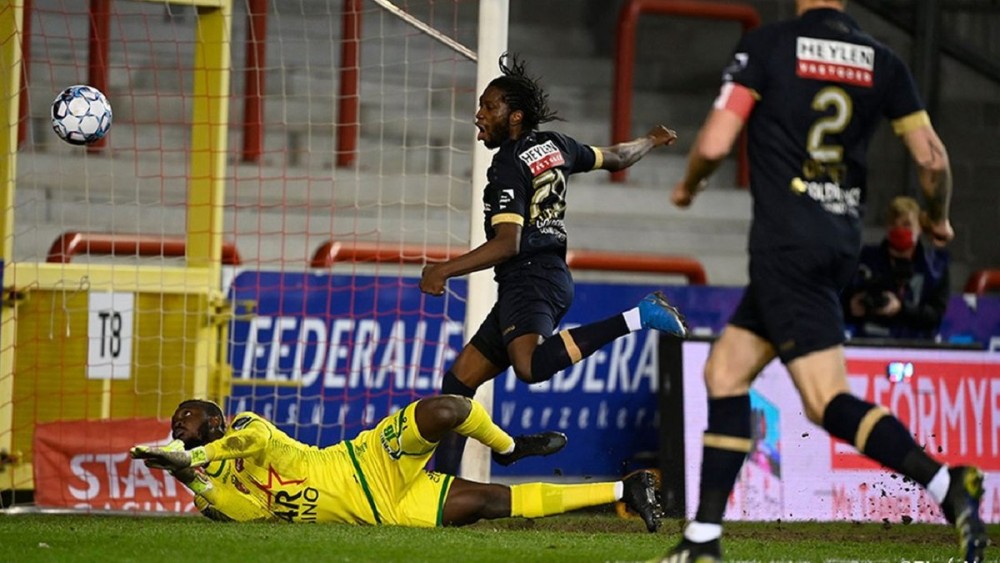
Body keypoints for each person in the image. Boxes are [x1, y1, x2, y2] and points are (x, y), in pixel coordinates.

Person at [663, 1, 986, 561]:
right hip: (838, 243)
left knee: (824, 400)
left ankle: (946, 483)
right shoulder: (883, 61)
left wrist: (690, 185)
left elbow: (715, 142)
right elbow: (932, 160)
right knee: (725, 371)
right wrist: (937, 218)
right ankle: (702, 540)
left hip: (786, 246)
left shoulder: (768, 46)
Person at [419, 53, 688, 474]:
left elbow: (508, 244)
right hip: (540, 278)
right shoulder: (557, 146)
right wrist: (651, 140)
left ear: (515, 116)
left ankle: (639, 315)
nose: (479, 115)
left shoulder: (507, 164)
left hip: (531, 278)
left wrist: (443, 269)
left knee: (530, 366)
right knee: (459, 381)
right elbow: (617, 157)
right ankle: (447, 483)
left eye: (489, 107)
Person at [130, 396, 664, 532]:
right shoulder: (216, 484)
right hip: (386, 513)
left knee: (446, 410)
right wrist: (189, 476)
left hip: (366, 464)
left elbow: (246, 445)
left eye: (187, 415)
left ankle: (507, 447)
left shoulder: (246, 428)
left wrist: (191, 456)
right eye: (175, 420)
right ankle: (627, 489)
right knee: (490, 502)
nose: (177, 421)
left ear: (216, 420)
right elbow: (251, 517)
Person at [843, 195, 950, 340]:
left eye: (906, 224)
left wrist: (901, 308)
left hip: (919, 345)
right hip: (871, 342)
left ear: (919, 228)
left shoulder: (935, 267)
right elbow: (839, 303)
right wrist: (851, 307)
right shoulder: (865, 260)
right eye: (894, 224)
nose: (899, 230)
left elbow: (935, 316)